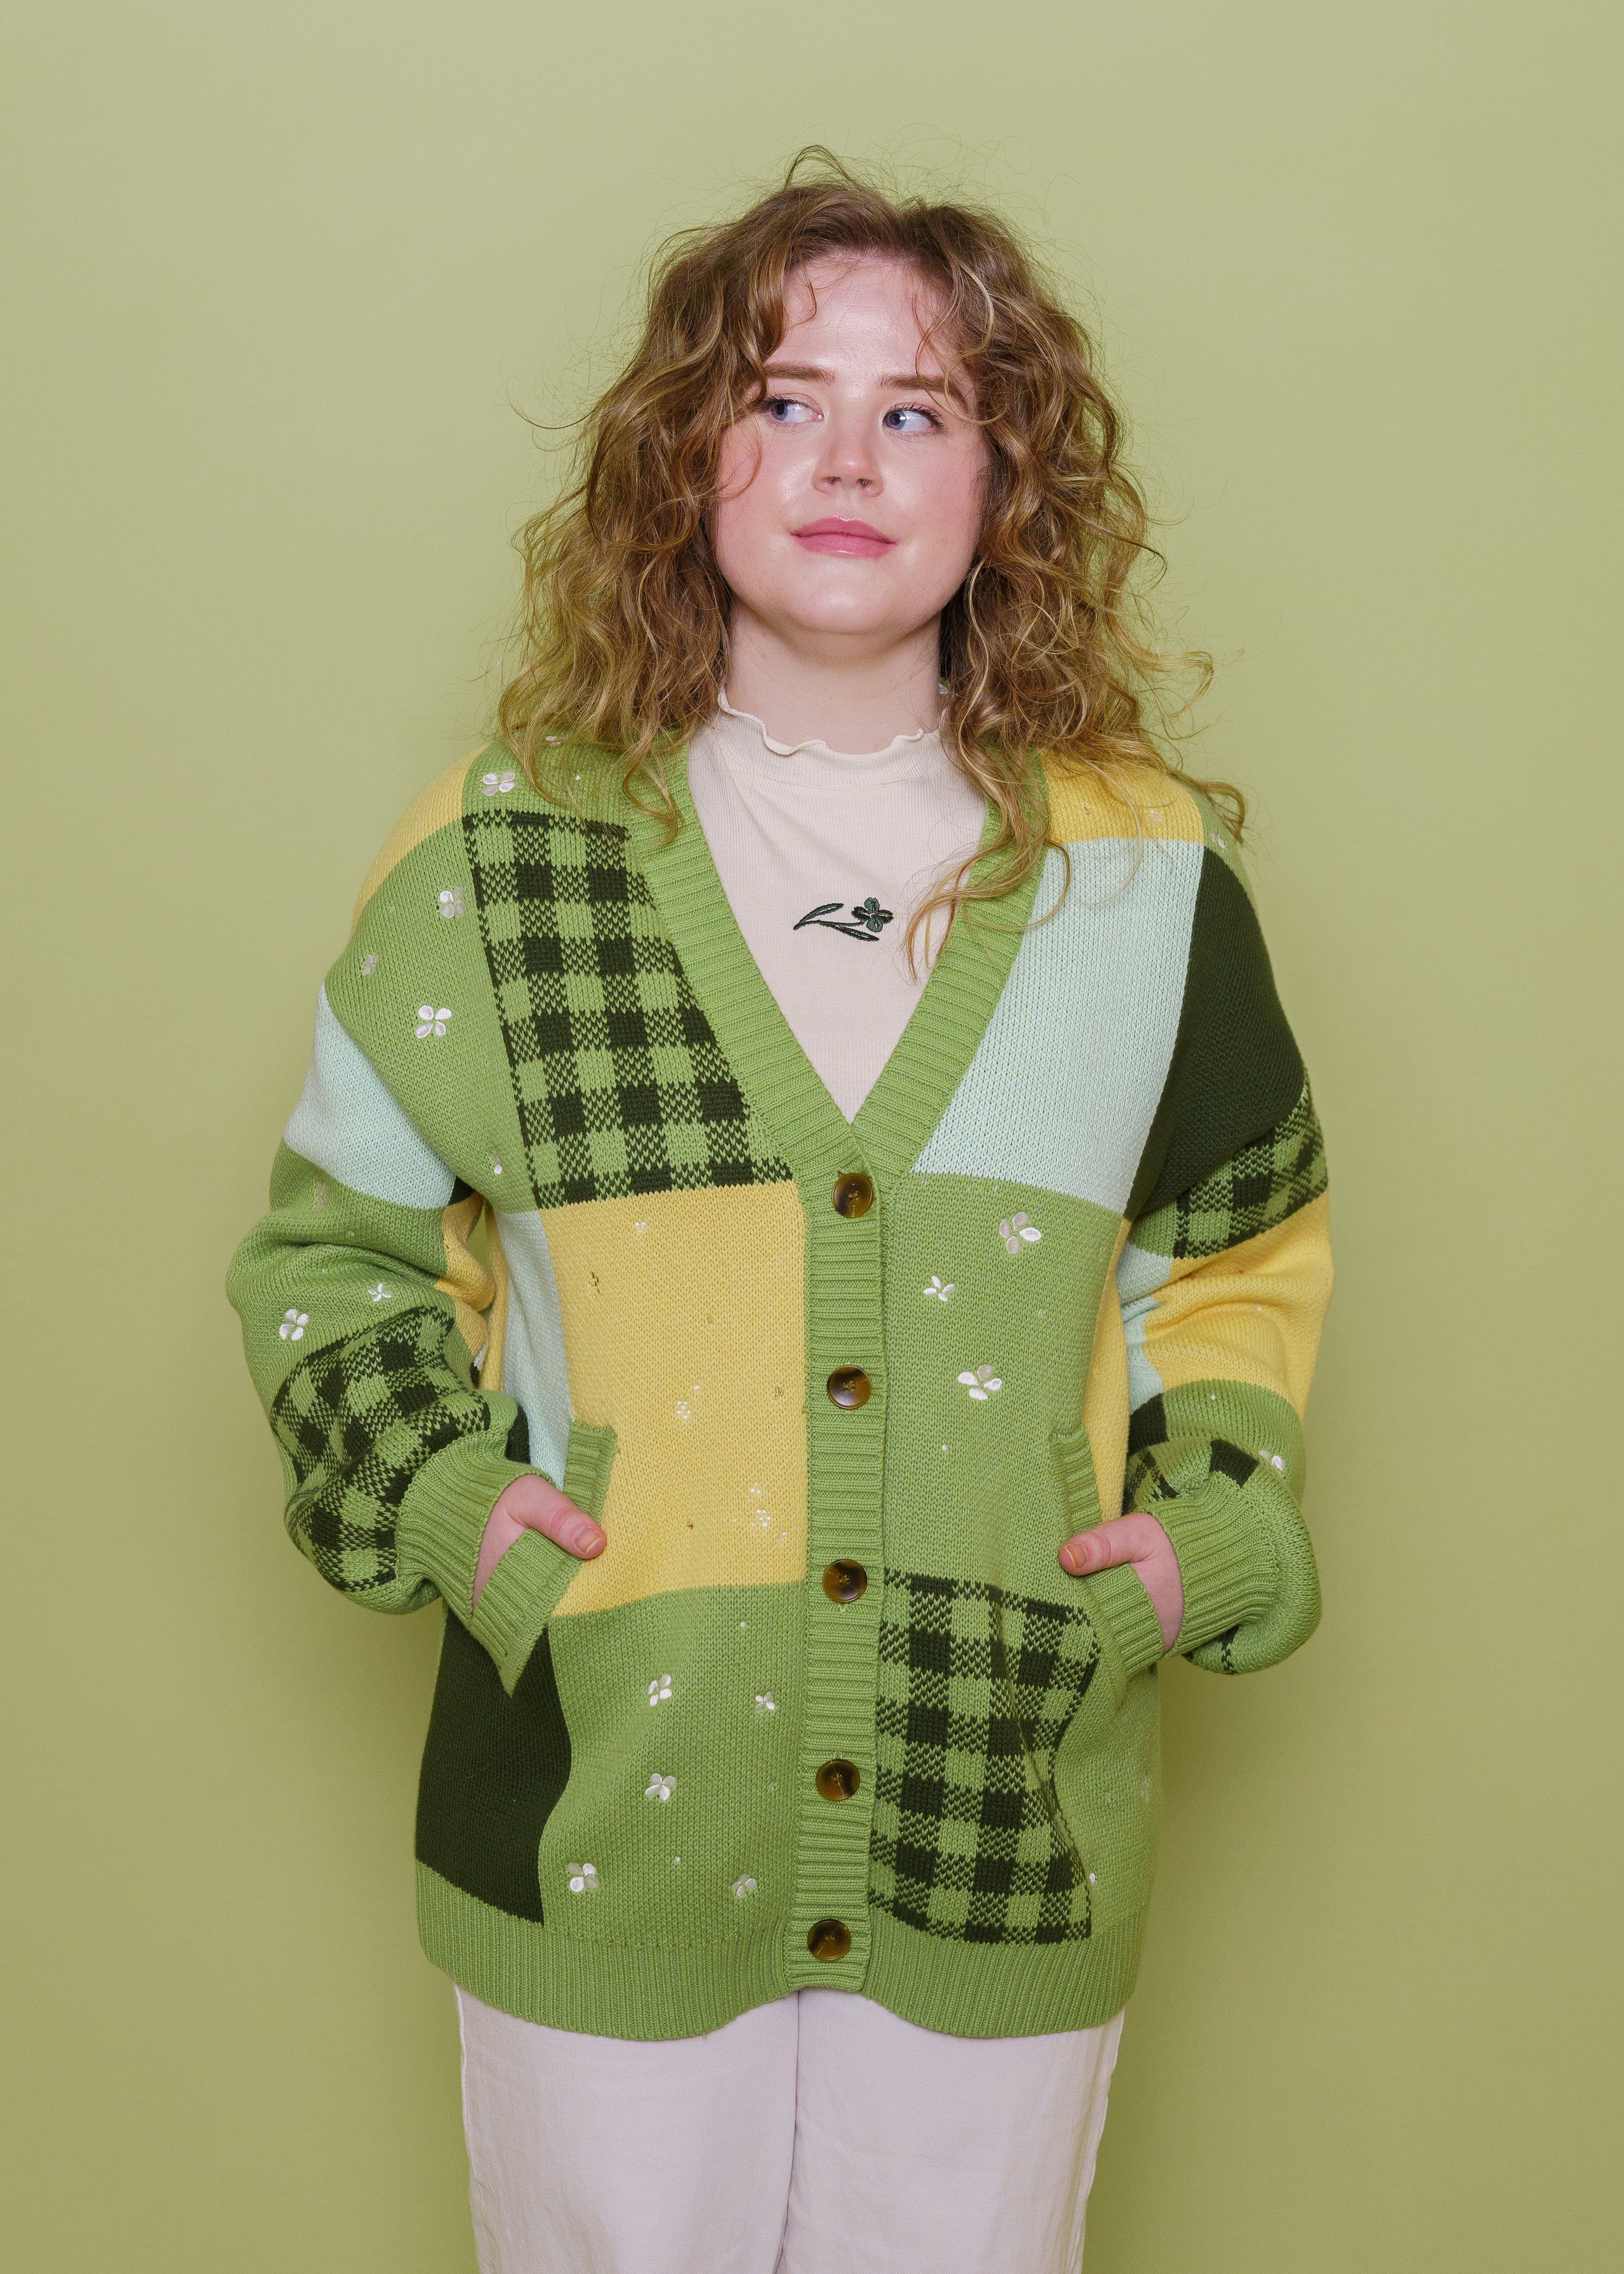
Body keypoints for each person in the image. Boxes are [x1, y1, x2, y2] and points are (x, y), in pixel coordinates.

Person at [228, 152, 1332, 2274]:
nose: (845, 459)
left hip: (1009, 1779)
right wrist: (454, 1506)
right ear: (686, 458)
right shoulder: (501, 859)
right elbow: (333, 1264)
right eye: (780, 397)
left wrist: (1207, 1530)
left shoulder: (1145, 878)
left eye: (917, 408)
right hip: (597, 1783)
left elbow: (1236, 1253)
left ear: (1006, 482)